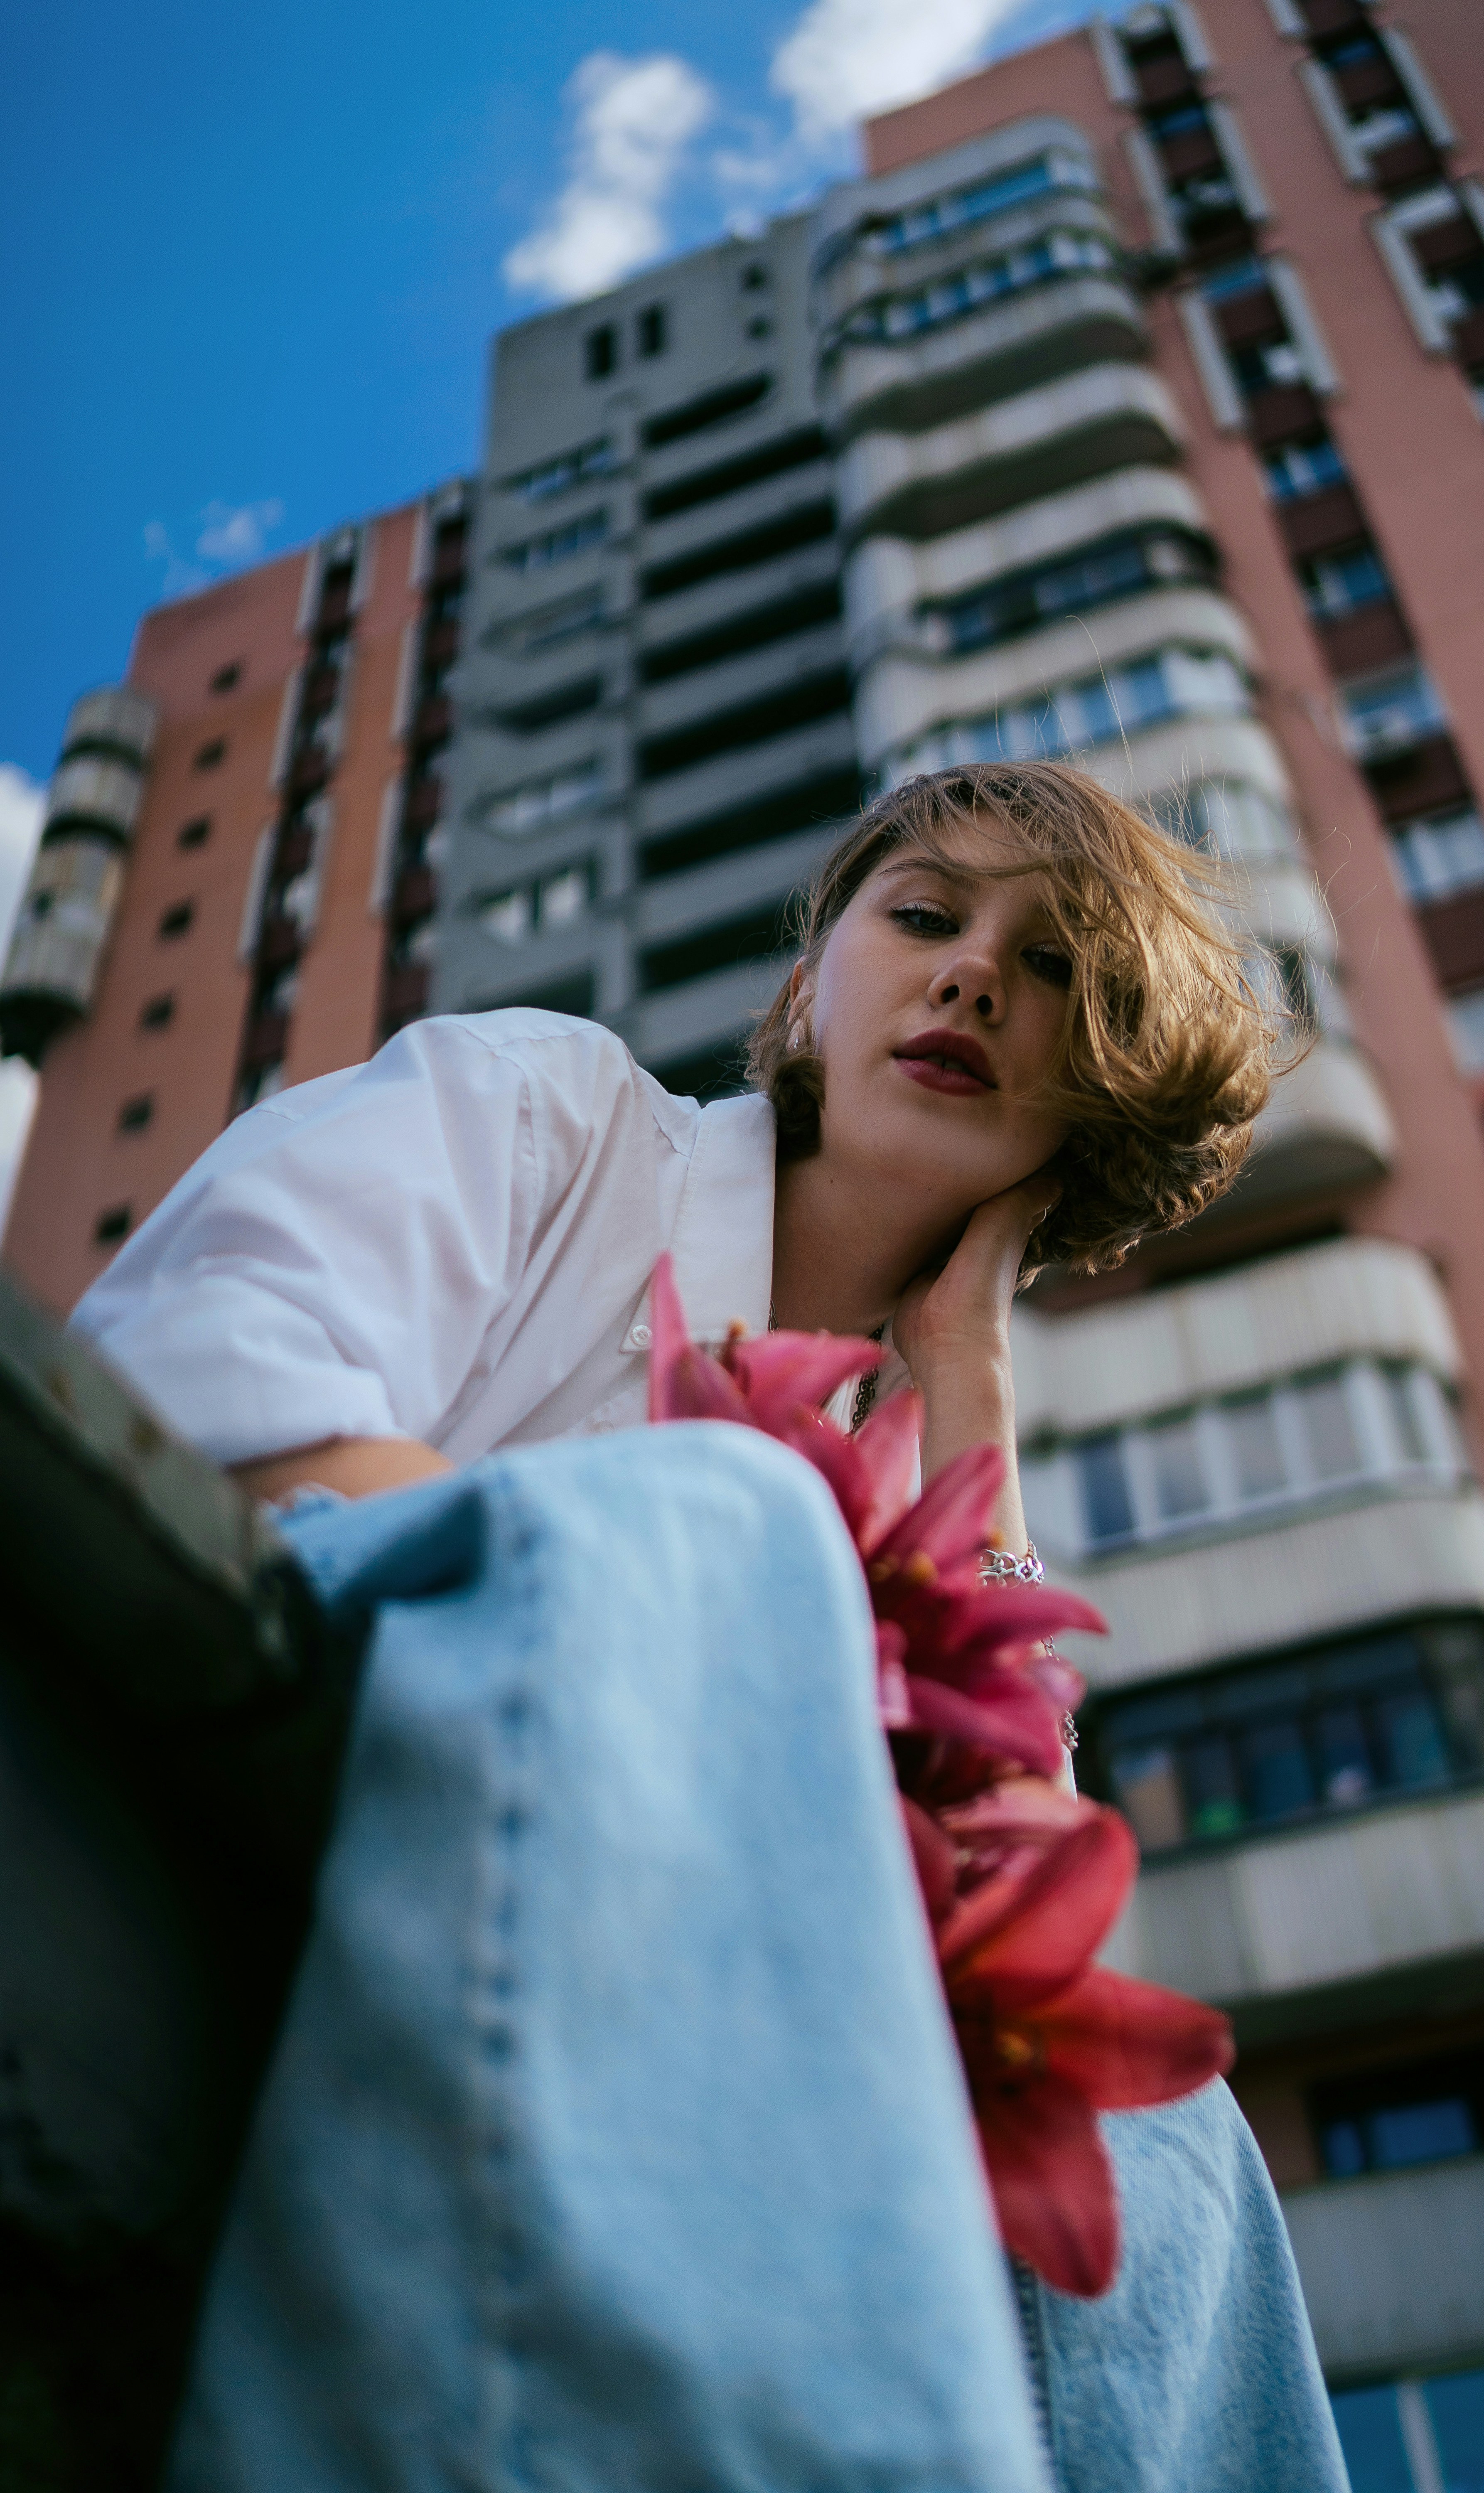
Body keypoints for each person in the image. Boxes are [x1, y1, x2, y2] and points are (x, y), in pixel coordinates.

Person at [74, 762, 1349, 2492]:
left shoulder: (926, 1431)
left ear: (1099, 1086)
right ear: (810, 985)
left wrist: (965, 1389)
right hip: (315, 1774)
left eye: (1053, 968)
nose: (973, 976)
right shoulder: (547, 1111)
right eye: (922, 918)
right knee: (740, 1524)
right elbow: (199, 1390)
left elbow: (1005, 1862)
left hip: (721, 2062)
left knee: (1142, 2105)